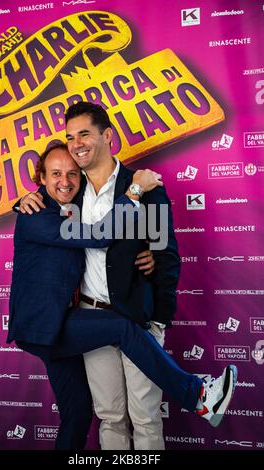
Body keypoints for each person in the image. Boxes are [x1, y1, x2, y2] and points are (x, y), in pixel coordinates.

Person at [9, 142, 238, 452]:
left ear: (106, 139)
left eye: (72, 173)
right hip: (48, 327)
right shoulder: (36, 213)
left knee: (78, 416)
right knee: (115, 378)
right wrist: (133, 193)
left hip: (100, 317)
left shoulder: (86, 200)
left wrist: (154, 268)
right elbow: (99, 234)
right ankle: (197, 397)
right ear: (41, 178)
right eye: (56, 174)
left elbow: (162, 248)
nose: (65, 181)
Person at [20, 101, 179, 450]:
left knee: (146, 418)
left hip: (138, 319)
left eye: (84, 134)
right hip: (90, 318)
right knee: (110, 416)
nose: (76, 143)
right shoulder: (69, 195)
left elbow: (164, 254)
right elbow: (41, 216)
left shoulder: (143, 185)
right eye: (70, 136)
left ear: (107, 136)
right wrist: (21, 200)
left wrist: (160, 319)